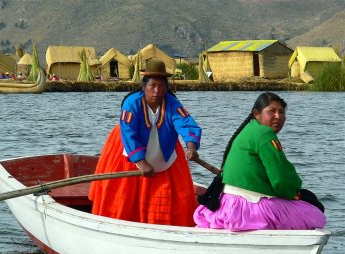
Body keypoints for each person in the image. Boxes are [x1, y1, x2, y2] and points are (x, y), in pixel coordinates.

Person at [89, 59, 202, 226]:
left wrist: (191, 147)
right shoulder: (132, 103)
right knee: (125, 191)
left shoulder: (171, 103)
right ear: (144, 87)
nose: (157, 91)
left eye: (162, 86)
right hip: (129, 148)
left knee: (167, 192)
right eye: (152, 86)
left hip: (164, 148)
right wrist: (141, 162)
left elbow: (185, 123)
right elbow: (128, 132)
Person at [194, 92, 326, 231]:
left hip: (228, 204)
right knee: (315, 214)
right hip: (246, 207)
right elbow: (281, 180)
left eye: (281, 112)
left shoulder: (249, 129)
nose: (278, 116)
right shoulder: (265, 134)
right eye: (272, 111)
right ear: (257, 114)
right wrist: (295, 194)